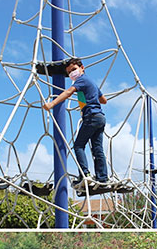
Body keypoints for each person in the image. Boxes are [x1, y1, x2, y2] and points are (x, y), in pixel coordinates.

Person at [43, 57, 114, 187]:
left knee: (78, 146)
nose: (72, 74)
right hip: (100, 117)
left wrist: (52, 104)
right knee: (97, 149)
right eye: (69, 73)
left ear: (82, 68)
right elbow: (104, 100)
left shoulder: (81, 80)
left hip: (91, 116)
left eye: (74, 70)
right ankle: (103, 178)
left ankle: (85, 174)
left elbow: (68, 92)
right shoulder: (90, 82)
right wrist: (90, 95)